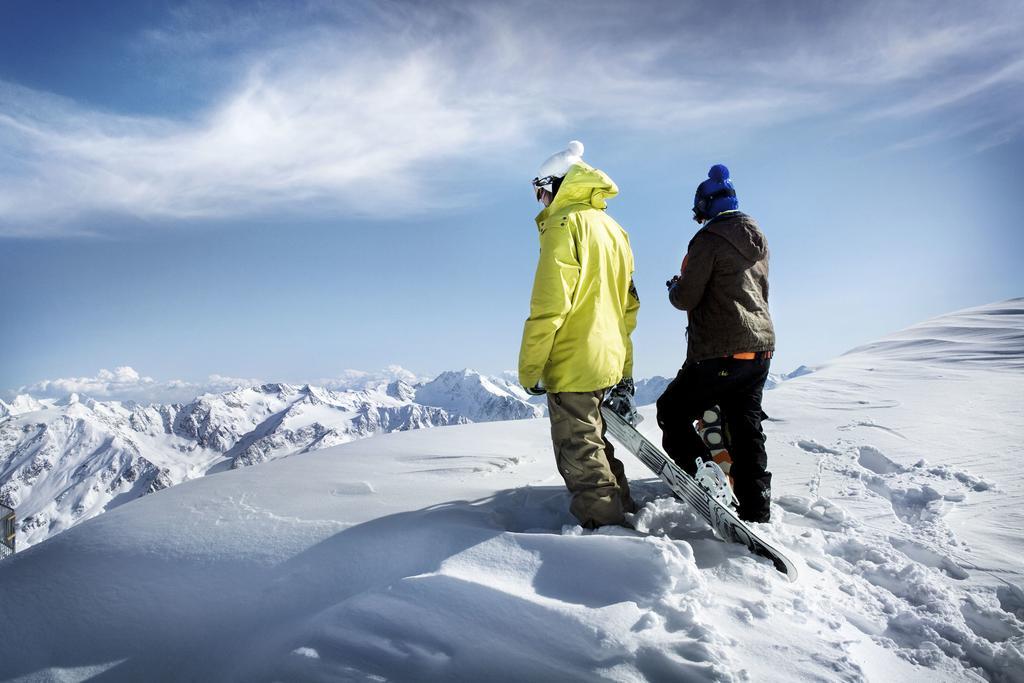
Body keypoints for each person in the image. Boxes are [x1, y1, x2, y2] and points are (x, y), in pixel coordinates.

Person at [518, 140, 641, 529]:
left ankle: (607, 533)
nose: (539, 200)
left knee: (579, 452)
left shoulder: (563, 226)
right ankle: (625, 510)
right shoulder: (614, 230)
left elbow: (550, 306)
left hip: (573, 359)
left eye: (540, 189)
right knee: (596, 442)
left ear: (556, 184)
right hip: (607, 356)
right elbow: (629, 307)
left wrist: (531, 368)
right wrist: (624, 365)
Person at [656, 164, 776, 523]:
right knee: (746, 427)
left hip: (719, 350)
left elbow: (686, 298)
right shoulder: (758, 238)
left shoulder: (707, 240)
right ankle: (757, 507)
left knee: (672, 412)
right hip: (760, 348)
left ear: (706, 205)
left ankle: (710, 482)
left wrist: (675, 285)